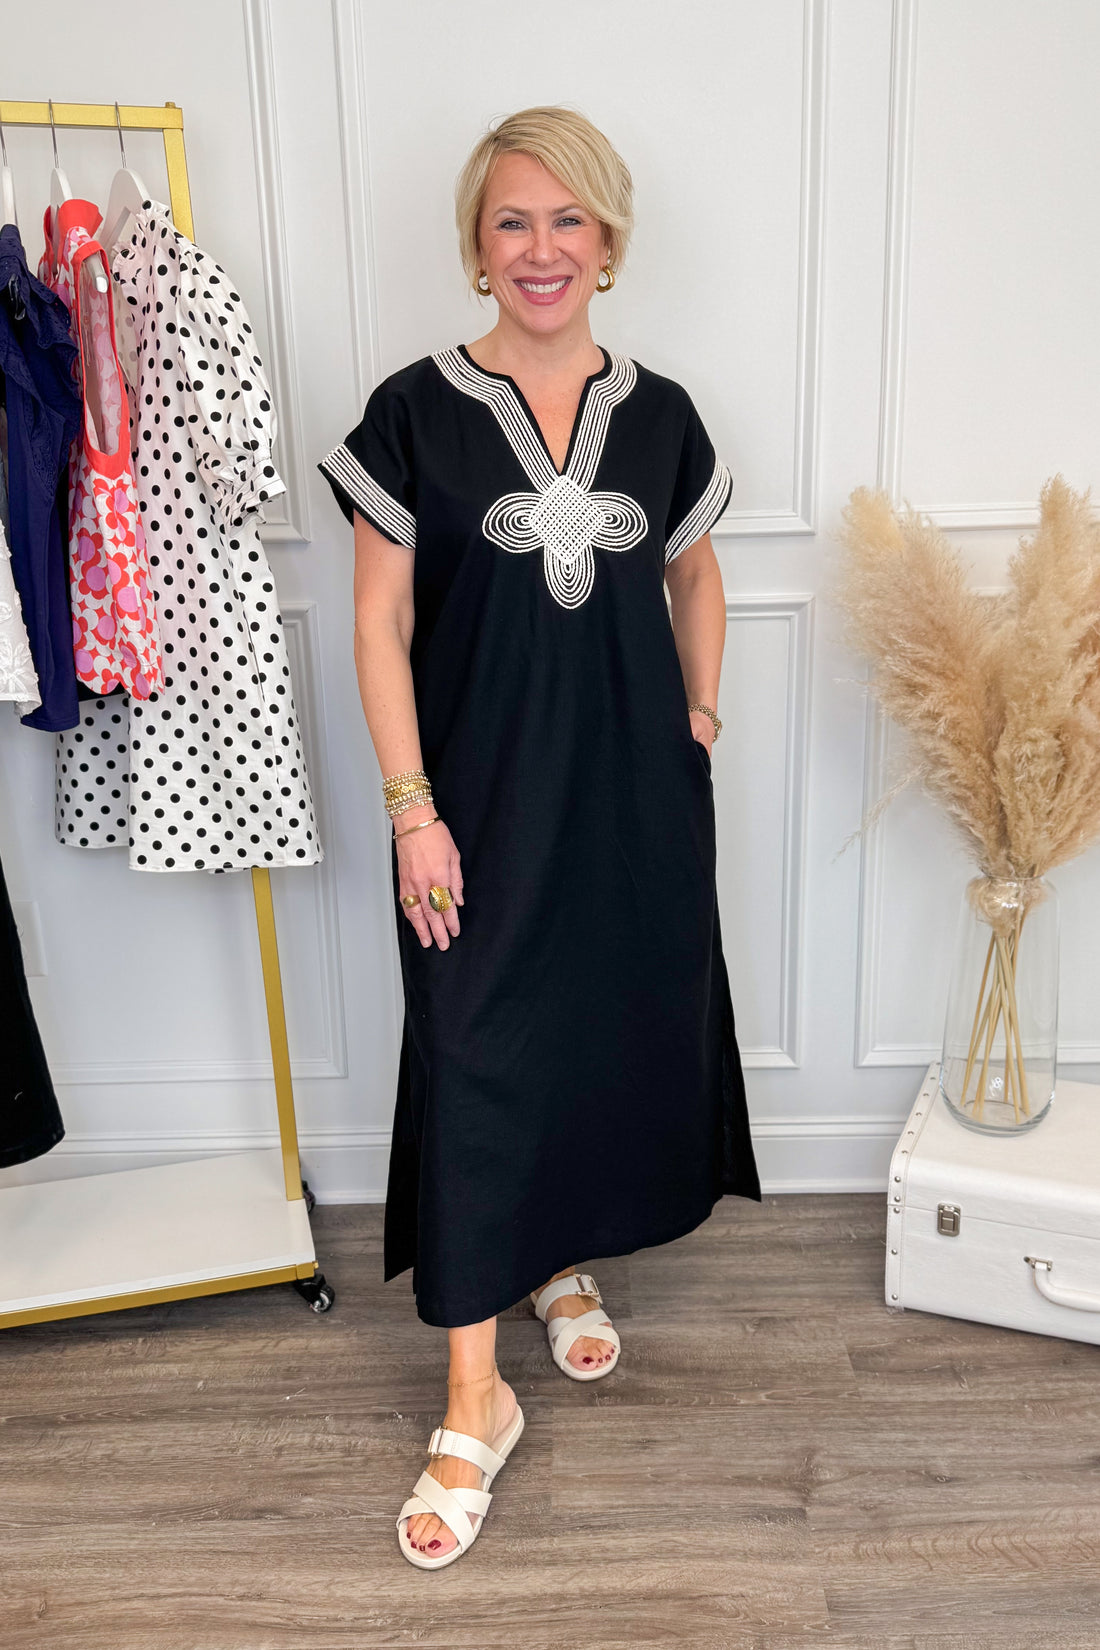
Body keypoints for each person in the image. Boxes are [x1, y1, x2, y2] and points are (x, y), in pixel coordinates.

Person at [318, 104, 762, 1570]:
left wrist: (698, 716)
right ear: (477, 245)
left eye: (569, 220)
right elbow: (379, 621)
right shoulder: (413, 411)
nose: (542, 248)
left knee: (583, 1032)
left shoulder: (668, 411)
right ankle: (473, 1394)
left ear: (611, 241)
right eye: (513, 221)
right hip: (476, 804)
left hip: (632, 798)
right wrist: (410, 809)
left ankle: (554, 1259)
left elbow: (698, 579)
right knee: (473, 1044)